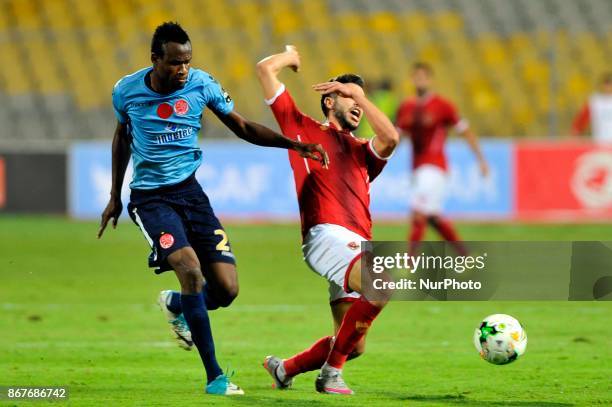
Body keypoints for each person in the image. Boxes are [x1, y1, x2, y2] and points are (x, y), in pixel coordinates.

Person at [97, 23, 327, 396]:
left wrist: (293, 145)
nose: (182, 70)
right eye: (174, 63)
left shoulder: (201, 84)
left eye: (187, 62)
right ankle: (215, 377)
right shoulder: (126, 91)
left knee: (227, 289)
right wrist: (114, 195)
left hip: (192, 194)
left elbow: (240, 126)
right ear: (155, 59)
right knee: (190, 270)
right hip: (151, 199)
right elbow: (122, 136)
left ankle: (177, 305)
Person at [255, 45, 399, 395]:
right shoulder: (301, 128)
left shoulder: (364, 153)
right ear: (330, 100)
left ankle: (284, 369)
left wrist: (361, 98)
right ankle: (330, 375)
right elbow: (264, 70)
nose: (356, 104)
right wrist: (291, 57)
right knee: (381, 283)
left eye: (359, 99)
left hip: (353, 245)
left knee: (354, 344)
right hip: (326, 235)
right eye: (348, 96)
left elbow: (391, 138)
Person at [395, 62, 488, 255]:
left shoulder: (443, 106)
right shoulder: (406, 107)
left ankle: (409, 261)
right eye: (416, 77)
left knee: (418, 213)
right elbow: (396, 137)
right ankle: (464, 254)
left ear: (430, 80)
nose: (419, 80)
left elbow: (466, 132)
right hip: (416, 168)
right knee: (431, 217)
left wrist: (481, 160)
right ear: (412, 79)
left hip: (435, 167)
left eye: (423, 77)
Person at [571, 72, 612, 143]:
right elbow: (582, 119)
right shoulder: (595, 101)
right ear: (602, 85)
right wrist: (576, 131)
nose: (608, 87)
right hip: (599, 140)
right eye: (607, 84)